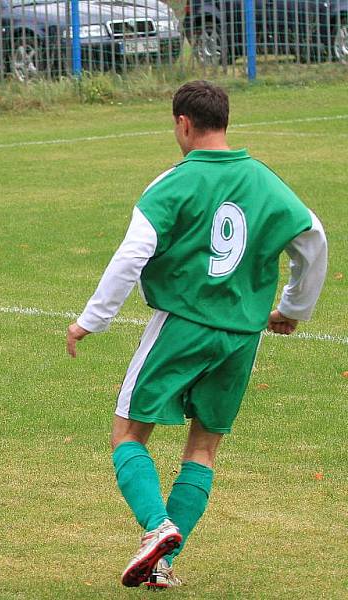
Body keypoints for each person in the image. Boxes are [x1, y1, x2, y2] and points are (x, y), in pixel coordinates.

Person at [65, 80, 328, 588]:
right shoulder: (267, 182)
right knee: (203, 449)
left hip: (181, 324)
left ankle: (156, 527)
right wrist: (293, 308)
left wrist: (92, 319)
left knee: (128, 434)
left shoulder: (173, 182)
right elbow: (312, 240)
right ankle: (162, 564)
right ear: (225, 123)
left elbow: (132, 254)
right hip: (242, 336)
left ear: (183, 124)